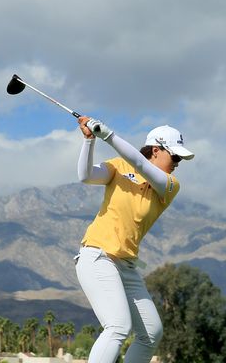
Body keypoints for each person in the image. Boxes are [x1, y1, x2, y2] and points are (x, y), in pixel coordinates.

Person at [74, 115, 194, 363]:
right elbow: (86, 176)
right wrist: (89, 142)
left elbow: (140, 163)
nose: (178, 162)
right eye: (175, 156)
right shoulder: (119, 166)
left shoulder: (170, 185)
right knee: (118, 326)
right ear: (157, 150)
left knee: (151, 333)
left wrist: (108, 134)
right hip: (97, 256)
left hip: (126, 265)